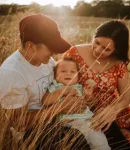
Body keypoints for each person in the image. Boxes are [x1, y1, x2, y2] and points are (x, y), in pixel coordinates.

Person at [0, 14, 90, 150]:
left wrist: (76, 97)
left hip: (61, 115)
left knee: (103, 129)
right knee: (79, 141)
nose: (54, 53)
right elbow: (18, 123)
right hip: (33, 131)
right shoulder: (12, 73)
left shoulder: (47, 61)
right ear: (30, 46)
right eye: (51, 48)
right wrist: (59, 109)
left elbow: (59, 85)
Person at [63, 20, 130, 150]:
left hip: (118, 111)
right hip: (90, 117)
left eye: (106, 49)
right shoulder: (74, 53)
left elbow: (126, 98)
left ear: (116, 49)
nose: (98, 50)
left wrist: (113, 110)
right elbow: (59, 80)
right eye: (96, 42)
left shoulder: (118, 63)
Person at [42, 57, 111, 150]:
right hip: (67, 122)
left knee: (99, 140)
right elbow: (45, 101)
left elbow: (90, 103)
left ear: (78, 76)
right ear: (55, 75)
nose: (68, 73)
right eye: (63, 71)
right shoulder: (56, 87)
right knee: (94, 139)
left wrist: (88, 96)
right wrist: (63, 91)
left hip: (86, 120)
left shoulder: (79, 87)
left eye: (72, 72)